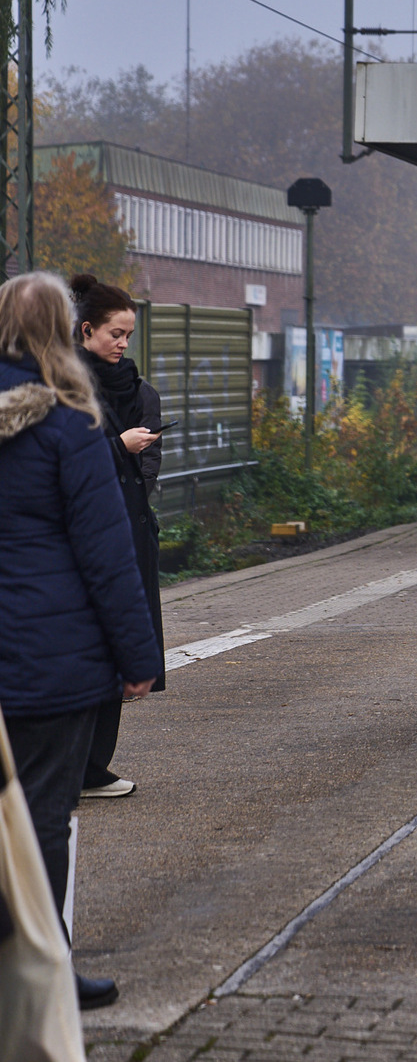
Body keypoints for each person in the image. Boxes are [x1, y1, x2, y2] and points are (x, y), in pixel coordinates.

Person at [0, 272, 162, 1011]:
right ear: (62, 333)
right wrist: (138, 657)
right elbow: (107, 554)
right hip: (47, 657)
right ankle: (44, 975)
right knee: (41, 819)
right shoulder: (70, 423)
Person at [71, 274, 164, 801]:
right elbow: (58, 464)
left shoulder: (135, 388)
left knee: (113, 647)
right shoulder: (64, 387)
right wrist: (118, 449)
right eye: (115, 333)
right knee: (86, 646)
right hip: (88, 534)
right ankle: (74, 767)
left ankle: (93, 766)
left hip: (128, 525)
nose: (124, 343)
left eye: (128, 335)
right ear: (86, 330)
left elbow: (148, 464)